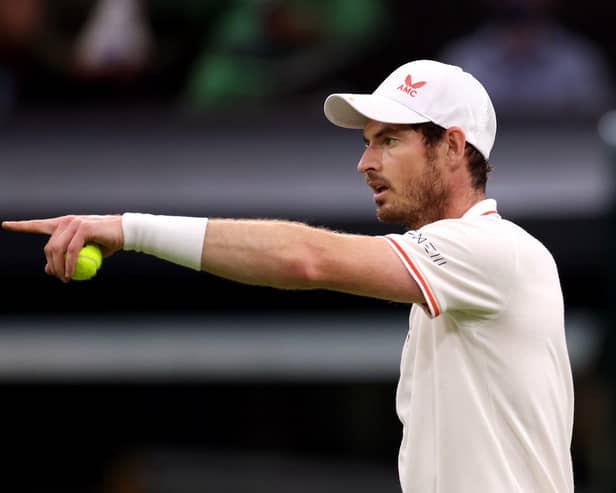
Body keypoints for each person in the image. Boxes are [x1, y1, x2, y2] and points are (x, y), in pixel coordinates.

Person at [2, 59, 574, 493]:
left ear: (452, 146)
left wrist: (130, 229)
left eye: (390, 140)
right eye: (366, 142)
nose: (365, 162)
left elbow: (307, 259)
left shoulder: (497, 252)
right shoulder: (461, 273)